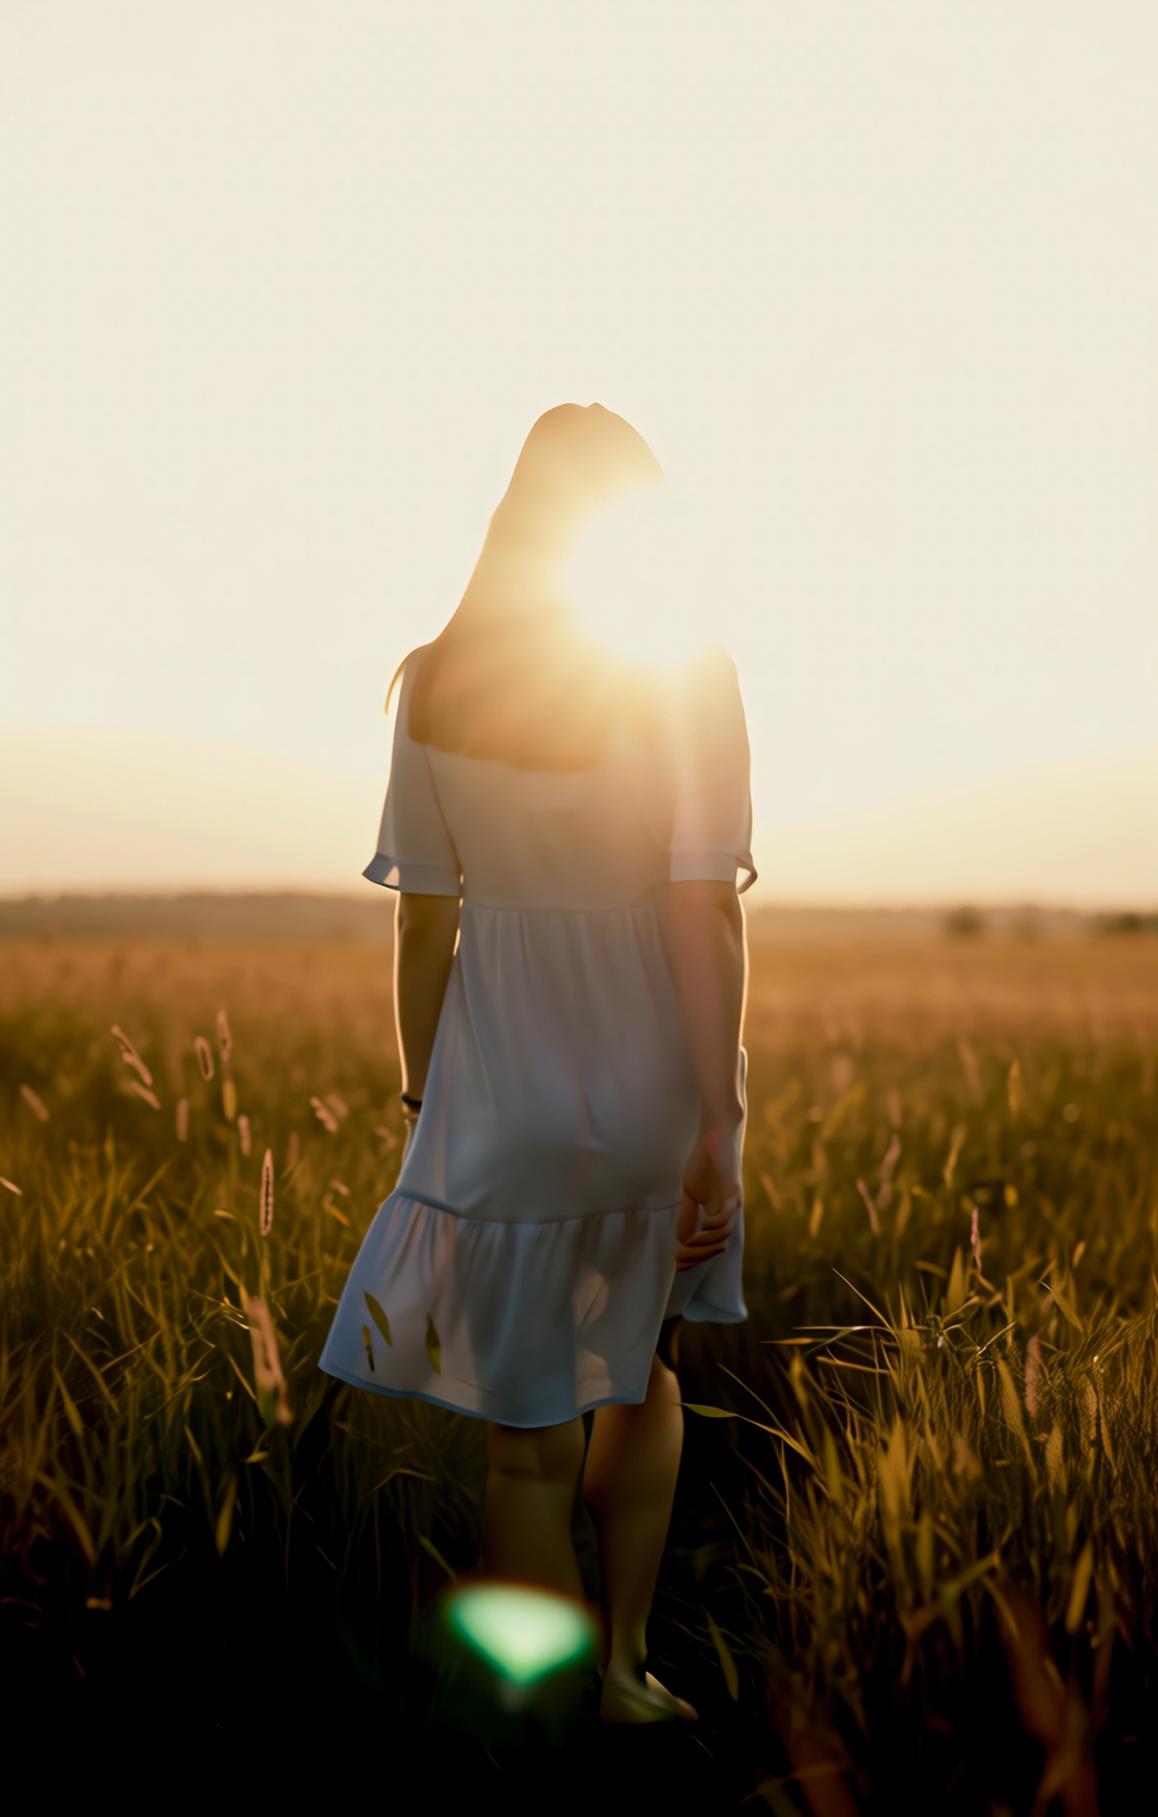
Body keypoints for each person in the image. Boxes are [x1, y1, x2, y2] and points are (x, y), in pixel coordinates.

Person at [320, 403, 754, 1724]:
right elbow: (705, 911)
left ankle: (545, 1707)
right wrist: (720, 1119)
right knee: (645, 1371)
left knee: (527, 1432)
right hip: (651, 1087)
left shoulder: (436, 681)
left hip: (497, 1094)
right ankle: (626, 1671)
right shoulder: (687, 673)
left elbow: (423, 919)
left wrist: (425, 1093)